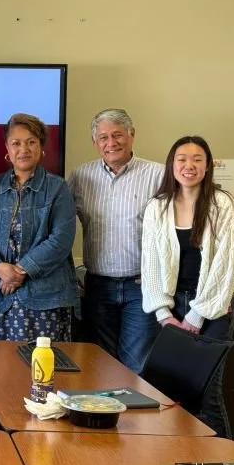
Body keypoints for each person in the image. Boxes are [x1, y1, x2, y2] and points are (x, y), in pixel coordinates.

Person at [142, 135, 234, 438]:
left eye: (197, 159)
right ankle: (181, 459)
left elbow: (225, 264)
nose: (189, 165)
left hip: (213, 309)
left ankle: (225, 462)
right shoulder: (157, 207)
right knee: (170, 395)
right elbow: (150, 264)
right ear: (172, 165)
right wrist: (164, 315)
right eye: (182, 159)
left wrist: (196, 316)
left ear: (208, 166)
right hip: (172, 309)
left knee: (207, 394)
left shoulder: (222, 204)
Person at [68, 108, 163, 373]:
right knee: (99, 367)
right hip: (98, 286)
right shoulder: (80, 177)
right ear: (95, 143)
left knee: (137, 367)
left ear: (132, 135)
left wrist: (161, 273)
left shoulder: (158, 175)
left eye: (117, 135)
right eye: (103, 137)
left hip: (141, 288)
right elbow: (59, 227)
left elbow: (176, 231)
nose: (111, 143)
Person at [0, 114, 78, 341]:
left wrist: (20, 271)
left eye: (31, 142)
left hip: (45, 298)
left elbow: (61, 239)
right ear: (7, 148)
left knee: (41, 361)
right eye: (16, 143)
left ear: (41, 146)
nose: (23, 149)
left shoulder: (57, 188)